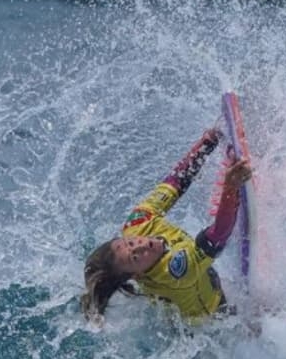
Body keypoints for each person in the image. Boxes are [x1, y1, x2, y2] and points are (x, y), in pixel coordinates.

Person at [81, 127, 252, 325]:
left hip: (197, 285)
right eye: (135, 257)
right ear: (137, 275)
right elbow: (217, 236)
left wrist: (206, 143)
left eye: (130, 243)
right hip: (214, 319)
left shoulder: (137, 223)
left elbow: (176, 182)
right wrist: (231, 187)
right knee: (266, 318)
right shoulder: (175, 271)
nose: (142, 244)